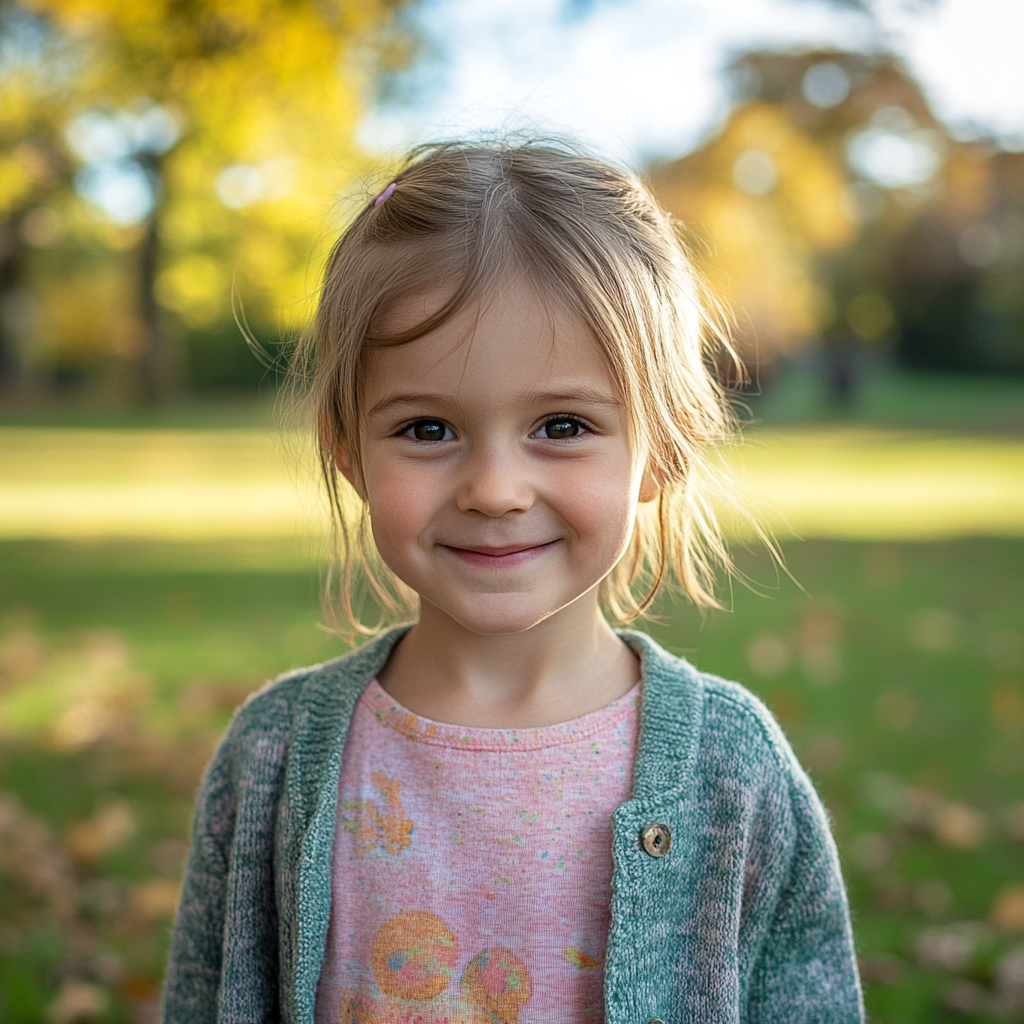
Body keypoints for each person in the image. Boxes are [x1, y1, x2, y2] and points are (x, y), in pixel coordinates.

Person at [163, 140, 863, 1024]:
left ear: (666, 444)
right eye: (426, 429)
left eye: (562, 424)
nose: (494, 490)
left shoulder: (732, 770)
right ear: (348, 452)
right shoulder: (271, 760)